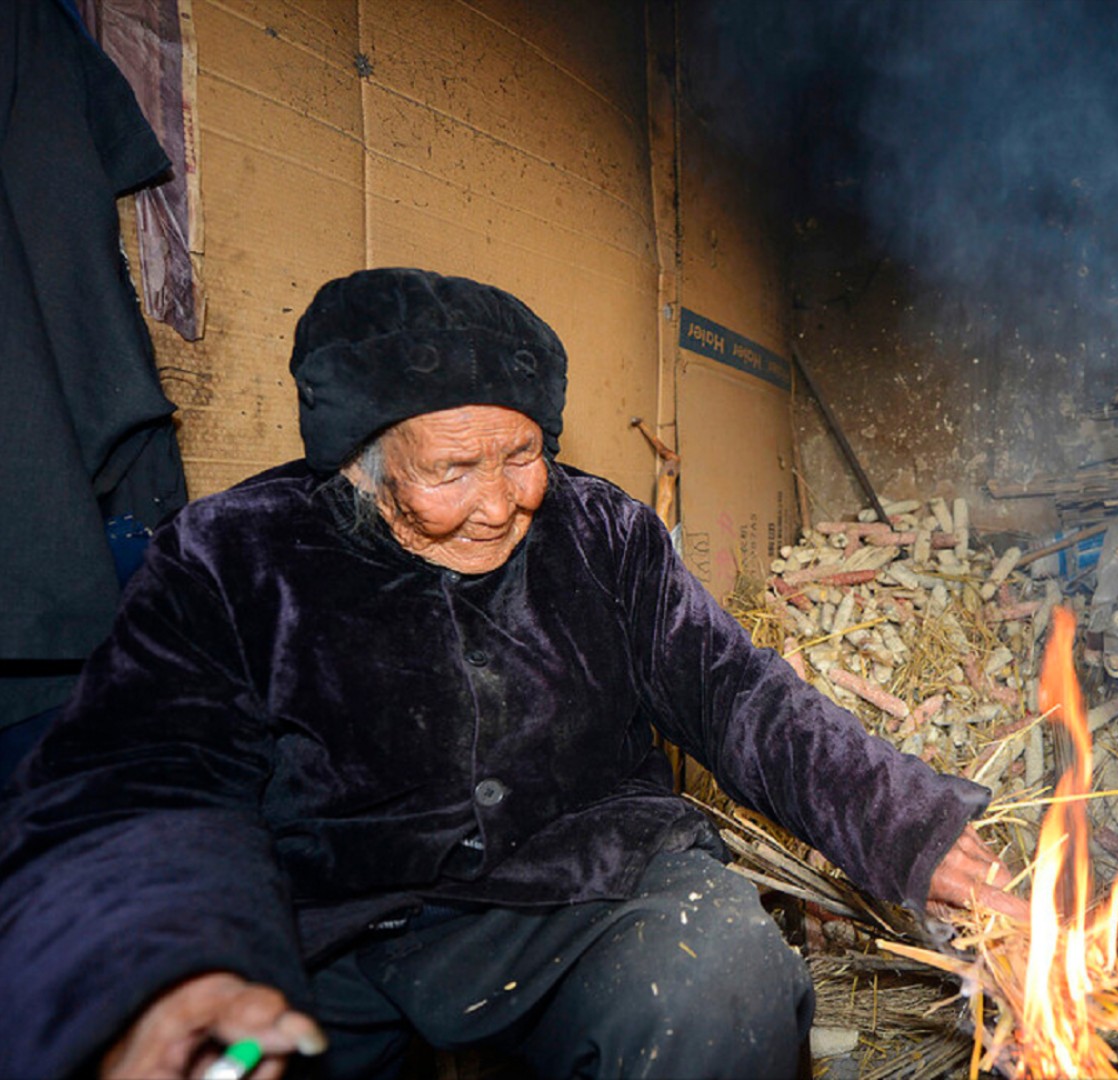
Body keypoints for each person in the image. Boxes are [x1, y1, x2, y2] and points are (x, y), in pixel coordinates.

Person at [0, 268, 1023, 1079]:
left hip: (580, 882)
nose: (499, 504)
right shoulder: (231, 558)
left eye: (523, 454)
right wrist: (167, 971)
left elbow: (737, 692)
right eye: (450, 471)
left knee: (722, 981)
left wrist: (915, 832)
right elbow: (141, 781)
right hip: (329, 917)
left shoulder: (601, 532)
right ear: (357, 459)